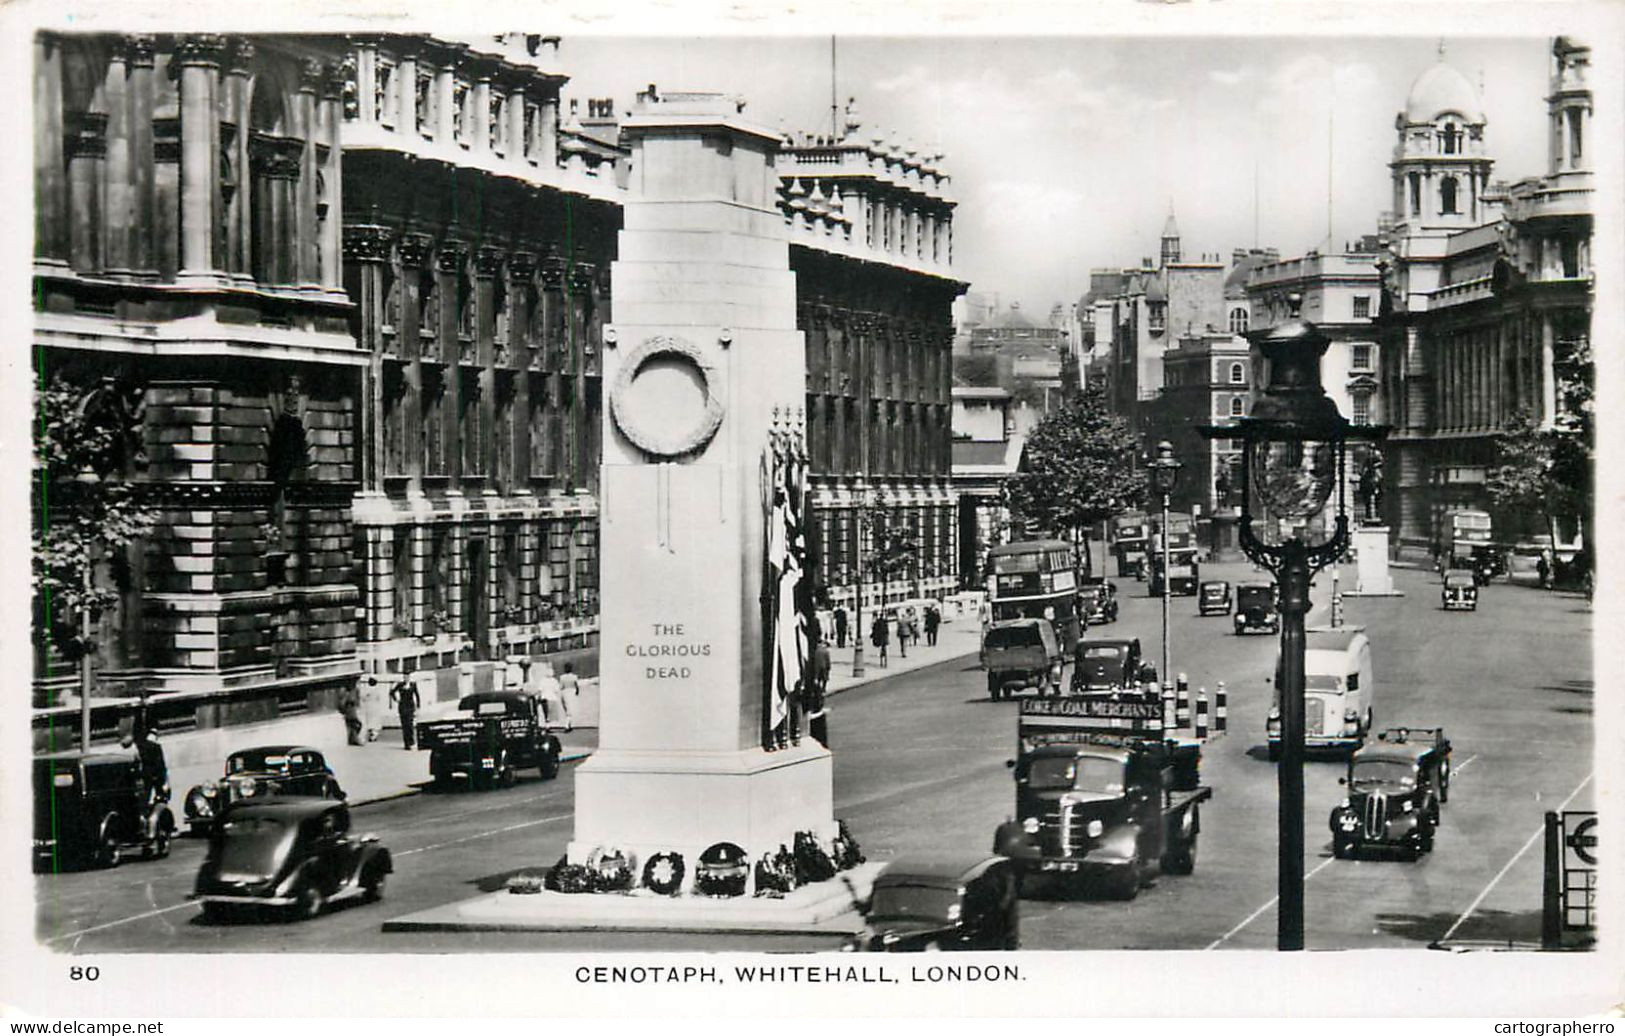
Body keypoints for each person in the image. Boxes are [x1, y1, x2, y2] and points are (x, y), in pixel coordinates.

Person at [530, 661, 572, 731]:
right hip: (552, 698)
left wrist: (538, 696)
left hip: (544, 698)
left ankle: (547, 726)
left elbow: (540, 690)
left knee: (545, 713)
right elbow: (557, 690)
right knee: (550, 713)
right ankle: (548, 725)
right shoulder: (554, 681)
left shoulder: (542, 680)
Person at [806, 636, 832, 748]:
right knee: (822, 684)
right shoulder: (825, 651)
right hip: (823, 671)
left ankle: (820, 691)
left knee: (818, 685)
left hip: (817, 672)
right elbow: (828, 664)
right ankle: (822, 691)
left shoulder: (816, 651)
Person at [389, 677, 421, 750]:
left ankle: (411, 742)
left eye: (408, 677)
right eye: (405, 677)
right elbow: (392, 692)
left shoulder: (413, 685)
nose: (406, 678)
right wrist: (396, 699)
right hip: (403, 706)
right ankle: (406, 743)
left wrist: (418, 706)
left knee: (410, 724)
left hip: (410, 706)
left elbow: (417, 695)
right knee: (404, 725)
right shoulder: (400, 685)